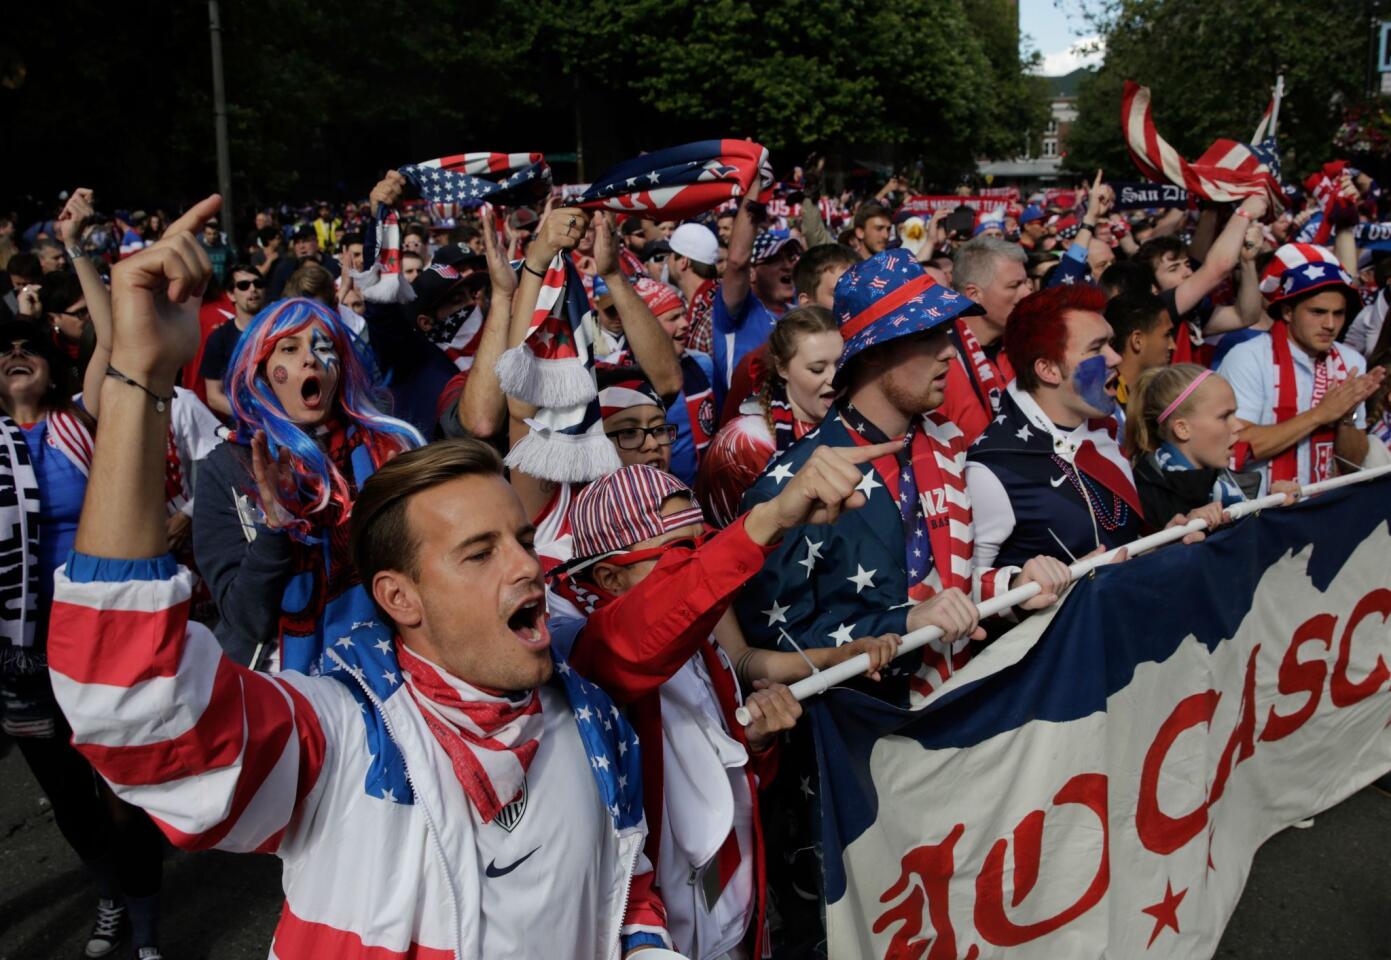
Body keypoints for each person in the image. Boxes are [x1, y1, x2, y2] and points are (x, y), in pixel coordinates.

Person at [48, 197, 678, 956]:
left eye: (520, 539)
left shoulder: (590, 721)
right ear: (396, 591)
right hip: (341, 696)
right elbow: (137, 699)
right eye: (479, 552)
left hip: (446, 656)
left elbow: (626, 892)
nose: (530, 565)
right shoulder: (347, 745)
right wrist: (140, 376)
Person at [552, 462, 898, 959]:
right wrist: (770, 518)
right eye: (679, 556)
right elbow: (636, 641)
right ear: (609, 575)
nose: (700, 566)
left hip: (728, 903)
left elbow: (731, 762)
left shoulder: (702, 629)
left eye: (703, 546)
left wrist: (757, 740)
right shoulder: (581, 646)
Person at [736, 250, 1070, 703]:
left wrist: (1013, 586)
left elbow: (952, 585)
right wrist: (903, 624)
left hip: (959, 709)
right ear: (873, 353)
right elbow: (775, 645)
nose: (951, 351)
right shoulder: (790, 483)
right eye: (929, 337)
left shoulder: (945, 442)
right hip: (870, 737)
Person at [0, 317, 169, 960]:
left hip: (100, 639)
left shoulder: (80, 423)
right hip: (23, 655)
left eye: (30, 348)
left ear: (51, 365)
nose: (18, 356)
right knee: (70, 796)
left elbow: (111, 335)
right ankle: (109, 896)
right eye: (5, 349)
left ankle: (149, 927)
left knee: (123, 788)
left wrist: (75, 250)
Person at [193, 296, 422, 669]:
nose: (310, 358)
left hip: (390, 659)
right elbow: (246, 620)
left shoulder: (388, 450)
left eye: (323, 346)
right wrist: (276, 528)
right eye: (289, 348)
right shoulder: (227, 468)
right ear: (262, 370)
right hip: (286, 678)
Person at [966, 284, 1151, 569]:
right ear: (1048, 370)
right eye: (1095, 349)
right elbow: (968, 587)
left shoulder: (1106, 427)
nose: (1116, 358)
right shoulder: (995, 466)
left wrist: (1169, 538)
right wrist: (1030, 584)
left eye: (1110, 344)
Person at [1218, 244, 1386, 490]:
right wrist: (1320, 414)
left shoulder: (1351, 362)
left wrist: (1346, 417)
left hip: (1327, 507)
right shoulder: (1248, 358)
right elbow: (1236, 444)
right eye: (1317, 312)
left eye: (1338, 313)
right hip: (1262, 511)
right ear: (1287, 311)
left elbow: (1352, 463)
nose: (1330, 324)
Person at [698, 306, 841, 526]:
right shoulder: (745, 441)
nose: (834, 378)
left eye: (840, 364)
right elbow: (721, 535)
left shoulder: (858, 421)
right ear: (782, 367)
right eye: (817, 369)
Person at [1126, 364, 1299, 529]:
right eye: (1224, 416)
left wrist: (1275, 507)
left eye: (1235, 414)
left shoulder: (1225, 484)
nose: (1238, 426)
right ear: (1182, 429)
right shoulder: (1142, 497)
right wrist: (1186, 531)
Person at [1135, 194, 1267, 364]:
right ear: (1153, 287)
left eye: (1186, 264)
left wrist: (1247, 261)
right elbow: (1218, 268)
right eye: (1173, 269)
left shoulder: (1190, 315)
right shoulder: (1158, 307)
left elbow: (1245, 316)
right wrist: (1244, 213)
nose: (1188, 272)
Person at [941, 236, 1029, 443]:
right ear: (974, 294)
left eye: (1027, 283)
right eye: (1014, 285)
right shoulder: (938, 360)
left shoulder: (1026, 347)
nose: (1027, 293)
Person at [713, 180, 801, 389]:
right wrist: (753, 198)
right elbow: (736, 261)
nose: (787, 266)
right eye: (773, 260)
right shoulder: (737, 310)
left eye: (790, 257)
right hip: (741, 416)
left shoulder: (799, 313)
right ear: (751, 272)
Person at [199, 263, 265, 418]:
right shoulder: (219, 339)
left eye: (258, 283)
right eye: (243, 285)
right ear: (231, 295)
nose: (252, 289)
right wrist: (252, 418)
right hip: (243, 429)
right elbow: (214, 397)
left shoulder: (280, 331)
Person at [1105, 292, 1175, 434]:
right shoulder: (1107, 409)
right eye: (1166, 335)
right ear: (1137, 341)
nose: (1173, 346)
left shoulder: (1157, 397)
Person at [667, 222, 721, 354]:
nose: (666, 262)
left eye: (670, 255)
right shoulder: (686, 304)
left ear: (683, 262)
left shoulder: (714, 316)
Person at [267, 224, 339, 299]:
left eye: (305, 241)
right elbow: (274, 299)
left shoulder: (333, 265)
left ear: (316, 242)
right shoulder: (284, 269)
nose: (301, 246)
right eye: (297, 242)